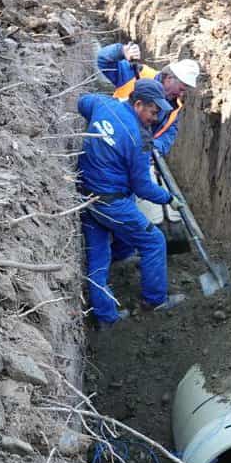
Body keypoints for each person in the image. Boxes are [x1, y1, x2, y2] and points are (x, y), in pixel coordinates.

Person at [77, 79, 188, 330]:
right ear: (138, 104)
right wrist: (169, 198)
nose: (155, 117)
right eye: (153, 111)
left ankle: (106, 318)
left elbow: (81, 103)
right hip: (111, 202)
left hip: (85, 194)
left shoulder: (103, 104)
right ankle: (154, 301)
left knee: (98, 257)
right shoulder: (138, 139)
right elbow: (143, 187)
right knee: (154, 241)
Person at [94, 42, 200, 156]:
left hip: (134, 154)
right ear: (169, 78)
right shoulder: (137, 73)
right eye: (181, 88)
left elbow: (168, 137)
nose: (181, 94)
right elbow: (103, 60)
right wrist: (121, 51)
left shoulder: (174, 107)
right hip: (108, 139)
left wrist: (151, 147)